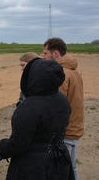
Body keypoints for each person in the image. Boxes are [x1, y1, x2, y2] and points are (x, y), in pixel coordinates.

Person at [0, 58, 75, 180]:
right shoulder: (62, 100)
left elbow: (19, 145)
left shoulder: (28, 108)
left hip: (33, 167)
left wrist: (2, 146)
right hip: (59, 161)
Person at [43, 37, 84, 180]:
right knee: (70, 168)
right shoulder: (75, 71)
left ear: (55, 54)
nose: (43, 57)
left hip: (66, 131)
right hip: (75, 126)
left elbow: (58, 106)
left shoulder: (61, 73)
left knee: (63, 171)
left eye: (45, 53)